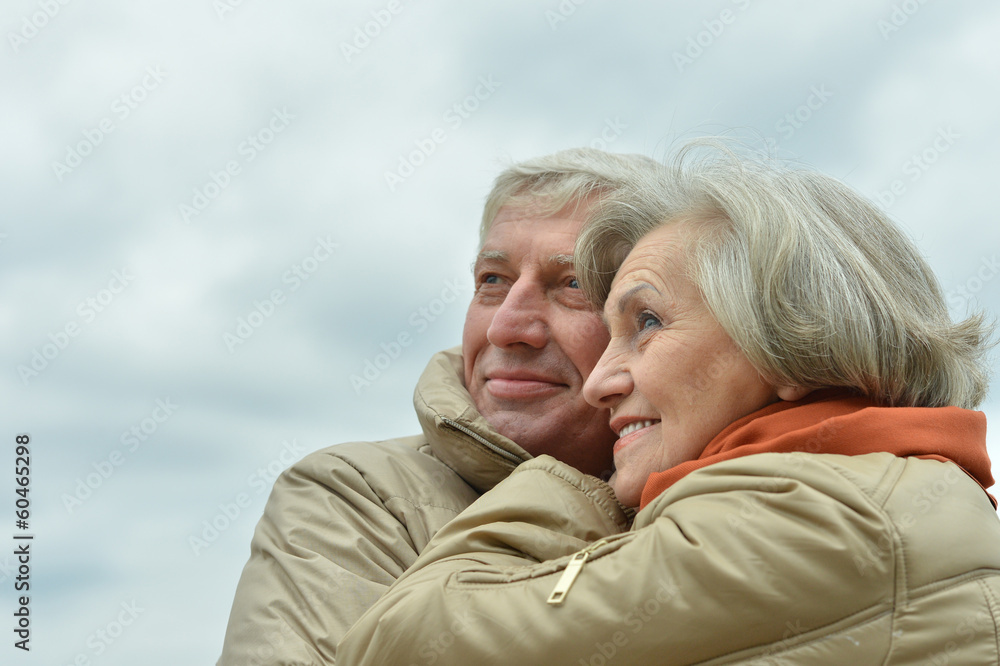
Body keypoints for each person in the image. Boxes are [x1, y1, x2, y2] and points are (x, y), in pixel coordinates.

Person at [335, 142, 1000, 665]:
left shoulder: (816, 519)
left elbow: (399, 642)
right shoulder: (877, 491)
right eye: (490, 280)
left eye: (645, 322)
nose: (601, 381)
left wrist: (569, 482)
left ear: (790, 338)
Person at [217, 148, 665, 665]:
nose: (507, 327)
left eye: (573, 285)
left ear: (653, 318)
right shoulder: (353, 494)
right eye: (492, 281)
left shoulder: (744, 476)